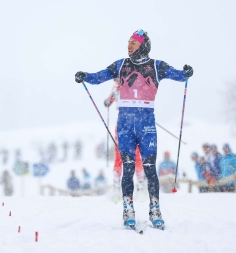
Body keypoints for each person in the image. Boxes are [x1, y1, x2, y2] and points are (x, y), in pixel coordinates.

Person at [75, 29, 193, 229]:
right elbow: (98, 77)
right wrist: (84, 76)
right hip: (125, 124)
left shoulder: (157, 66)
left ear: (143, 45)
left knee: (149, 168)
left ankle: (155, 209)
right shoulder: (121, 65)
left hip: (146, 123)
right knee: (127, 168)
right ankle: (127, 209)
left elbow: (179, 76)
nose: (129, 46)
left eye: (133, 43)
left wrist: (186, 73)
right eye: (128, 42)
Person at [104, 78, 145, 201]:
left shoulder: (131, 84)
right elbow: (110, 99)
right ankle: (116, 185)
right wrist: (107, 102)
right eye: (114, 78)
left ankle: (141, 186)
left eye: (117, 77)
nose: (116, 80)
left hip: (135, 121)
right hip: (122, 122)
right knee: (119, 153)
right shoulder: (115, 88)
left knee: (136, 152)